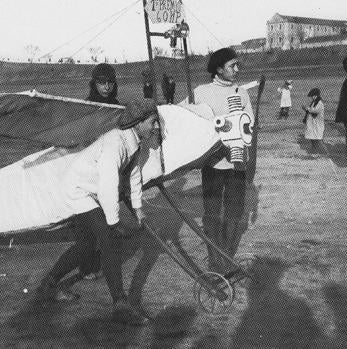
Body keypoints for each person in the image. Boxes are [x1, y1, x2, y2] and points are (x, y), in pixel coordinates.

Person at [42, 99, 160, 326]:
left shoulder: (136, 143)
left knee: (86, 245)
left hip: (90, 192)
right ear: (138, 122)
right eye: (152, 122)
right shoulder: (116, 143)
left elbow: (134, 178)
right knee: (108, 238)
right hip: (79, 189)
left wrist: (138, 211)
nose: (155, 127)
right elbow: (109, 183)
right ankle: (120, 304)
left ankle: (49, 285)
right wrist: (114, 222)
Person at [184, 47, 255, 274]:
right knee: (212, 212)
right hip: (213, 164)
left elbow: (249, 124)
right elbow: (182, 116)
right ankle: (216, 262)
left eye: (238, 65)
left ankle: (226, 256)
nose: (237, 69)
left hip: (237, 163)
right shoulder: (201, 92)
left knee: (235, 211)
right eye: (232, 66)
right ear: (218, 69)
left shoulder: (241, 93)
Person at [80, 63, 120, 281]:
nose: (106, 87)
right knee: (87, 224)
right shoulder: (86, 107)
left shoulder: (117, 107)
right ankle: (85, 267)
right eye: (101, 82)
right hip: (88, 169)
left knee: (104, 216)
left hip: (107, 168)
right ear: (94, 84)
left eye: (110, 83)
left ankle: (93, 262)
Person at [302, 88, 325, 153]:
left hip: (317, 123)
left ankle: (319, 151)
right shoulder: (314, 102)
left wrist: (307, 108)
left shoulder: (320, 103)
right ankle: (314, 150)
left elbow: (315, 111)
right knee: (312, 136)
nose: (312, 97)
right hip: (312, 122)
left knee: (317, 138)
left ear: (316, 95)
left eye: (313, 96)